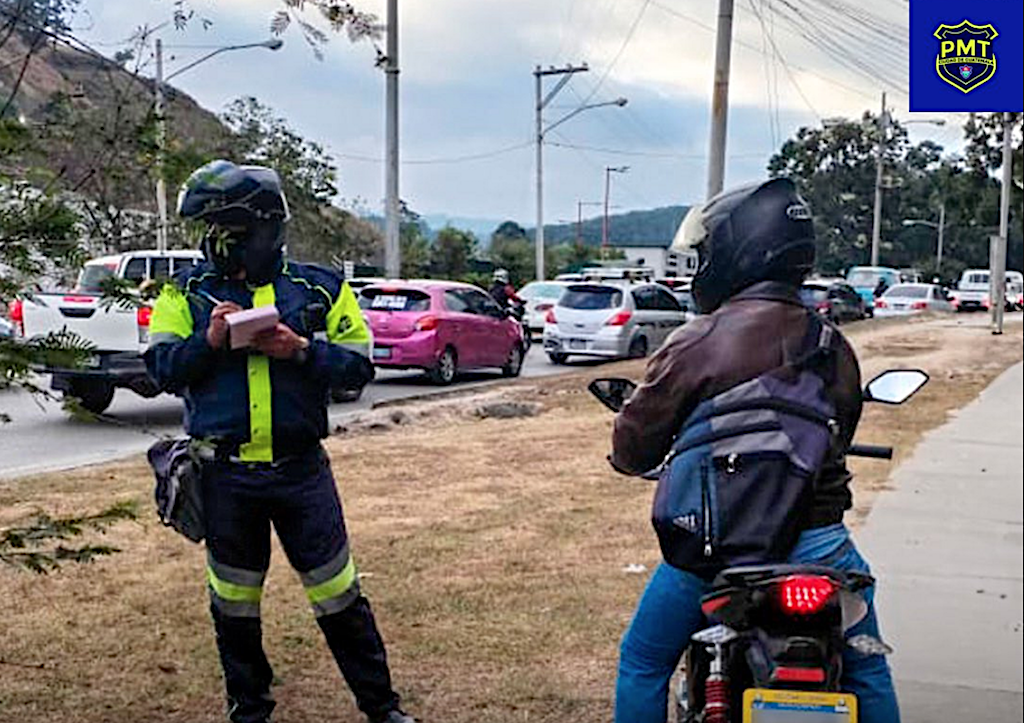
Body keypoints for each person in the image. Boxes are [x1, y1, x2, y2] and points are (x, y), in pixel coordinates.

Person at [609, 178, 900, 723]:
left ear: (734, 251)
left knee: (643, 661)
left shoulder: (696, 341)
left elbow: (633, 445)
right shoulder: (831, 344)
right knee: (866, 670)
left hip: (715, 550)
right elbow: (840, 433)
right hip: (819, 546)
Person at [144, 160, 414, 723]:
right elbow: (163, 370)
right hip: (225, 477)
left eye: (227, 232)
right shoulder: (185, 292)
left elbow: (359, 369)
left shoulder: (320, 287)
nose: (214, 244)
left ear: (263, 229)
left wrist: (300, 349)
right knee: (234, 605)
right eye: (209, 233)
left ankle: (382, 709)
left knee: (340, 595)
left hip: (301, 473)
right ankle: (249, 710)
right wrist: (211, 340)